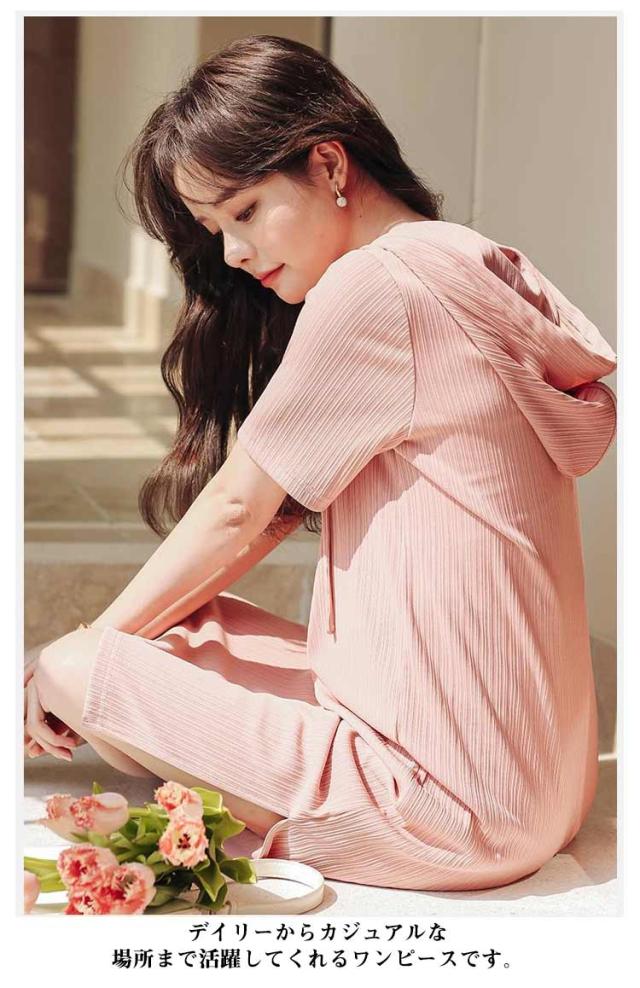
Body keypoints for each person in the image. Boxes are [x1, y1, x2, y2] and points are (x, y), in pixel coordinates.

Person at [24, 35, 617, 892]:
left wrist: (78, 654)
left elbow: (241, 510)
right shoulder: (465, 258)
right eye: (216, 230)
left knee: (78, 668)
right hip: (542, 784)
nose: (232, 253)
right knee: (180, 632)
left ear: (329, 164)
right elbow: (260, 515)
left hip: (448, 812)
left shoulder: (373, 288)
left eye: (245, 211)